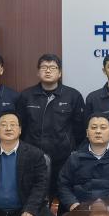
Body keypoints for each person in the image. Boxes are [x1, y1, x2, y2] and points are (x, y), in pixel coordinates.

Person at [17, 54, 85, 195]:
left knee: (61, 193)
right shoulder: (26, 96)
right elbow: (20, 126)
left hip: (63, 157)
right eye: (44, 67)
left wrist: (71, 148)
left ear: (60, 73)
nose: (48, 71)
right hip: (33, 156)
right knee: (34, 193)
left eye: (52, 68)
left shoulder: (73, 95)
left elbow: (79, 128)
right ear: (38, 72)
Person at [56, 114, 109, 212]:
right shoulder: (75, 158)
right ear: (87, 133)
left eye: (103, 128)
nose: (98, 131)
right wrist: (72, 203)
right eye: (93, 127)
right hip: (82, 209)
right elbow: (63, 184)